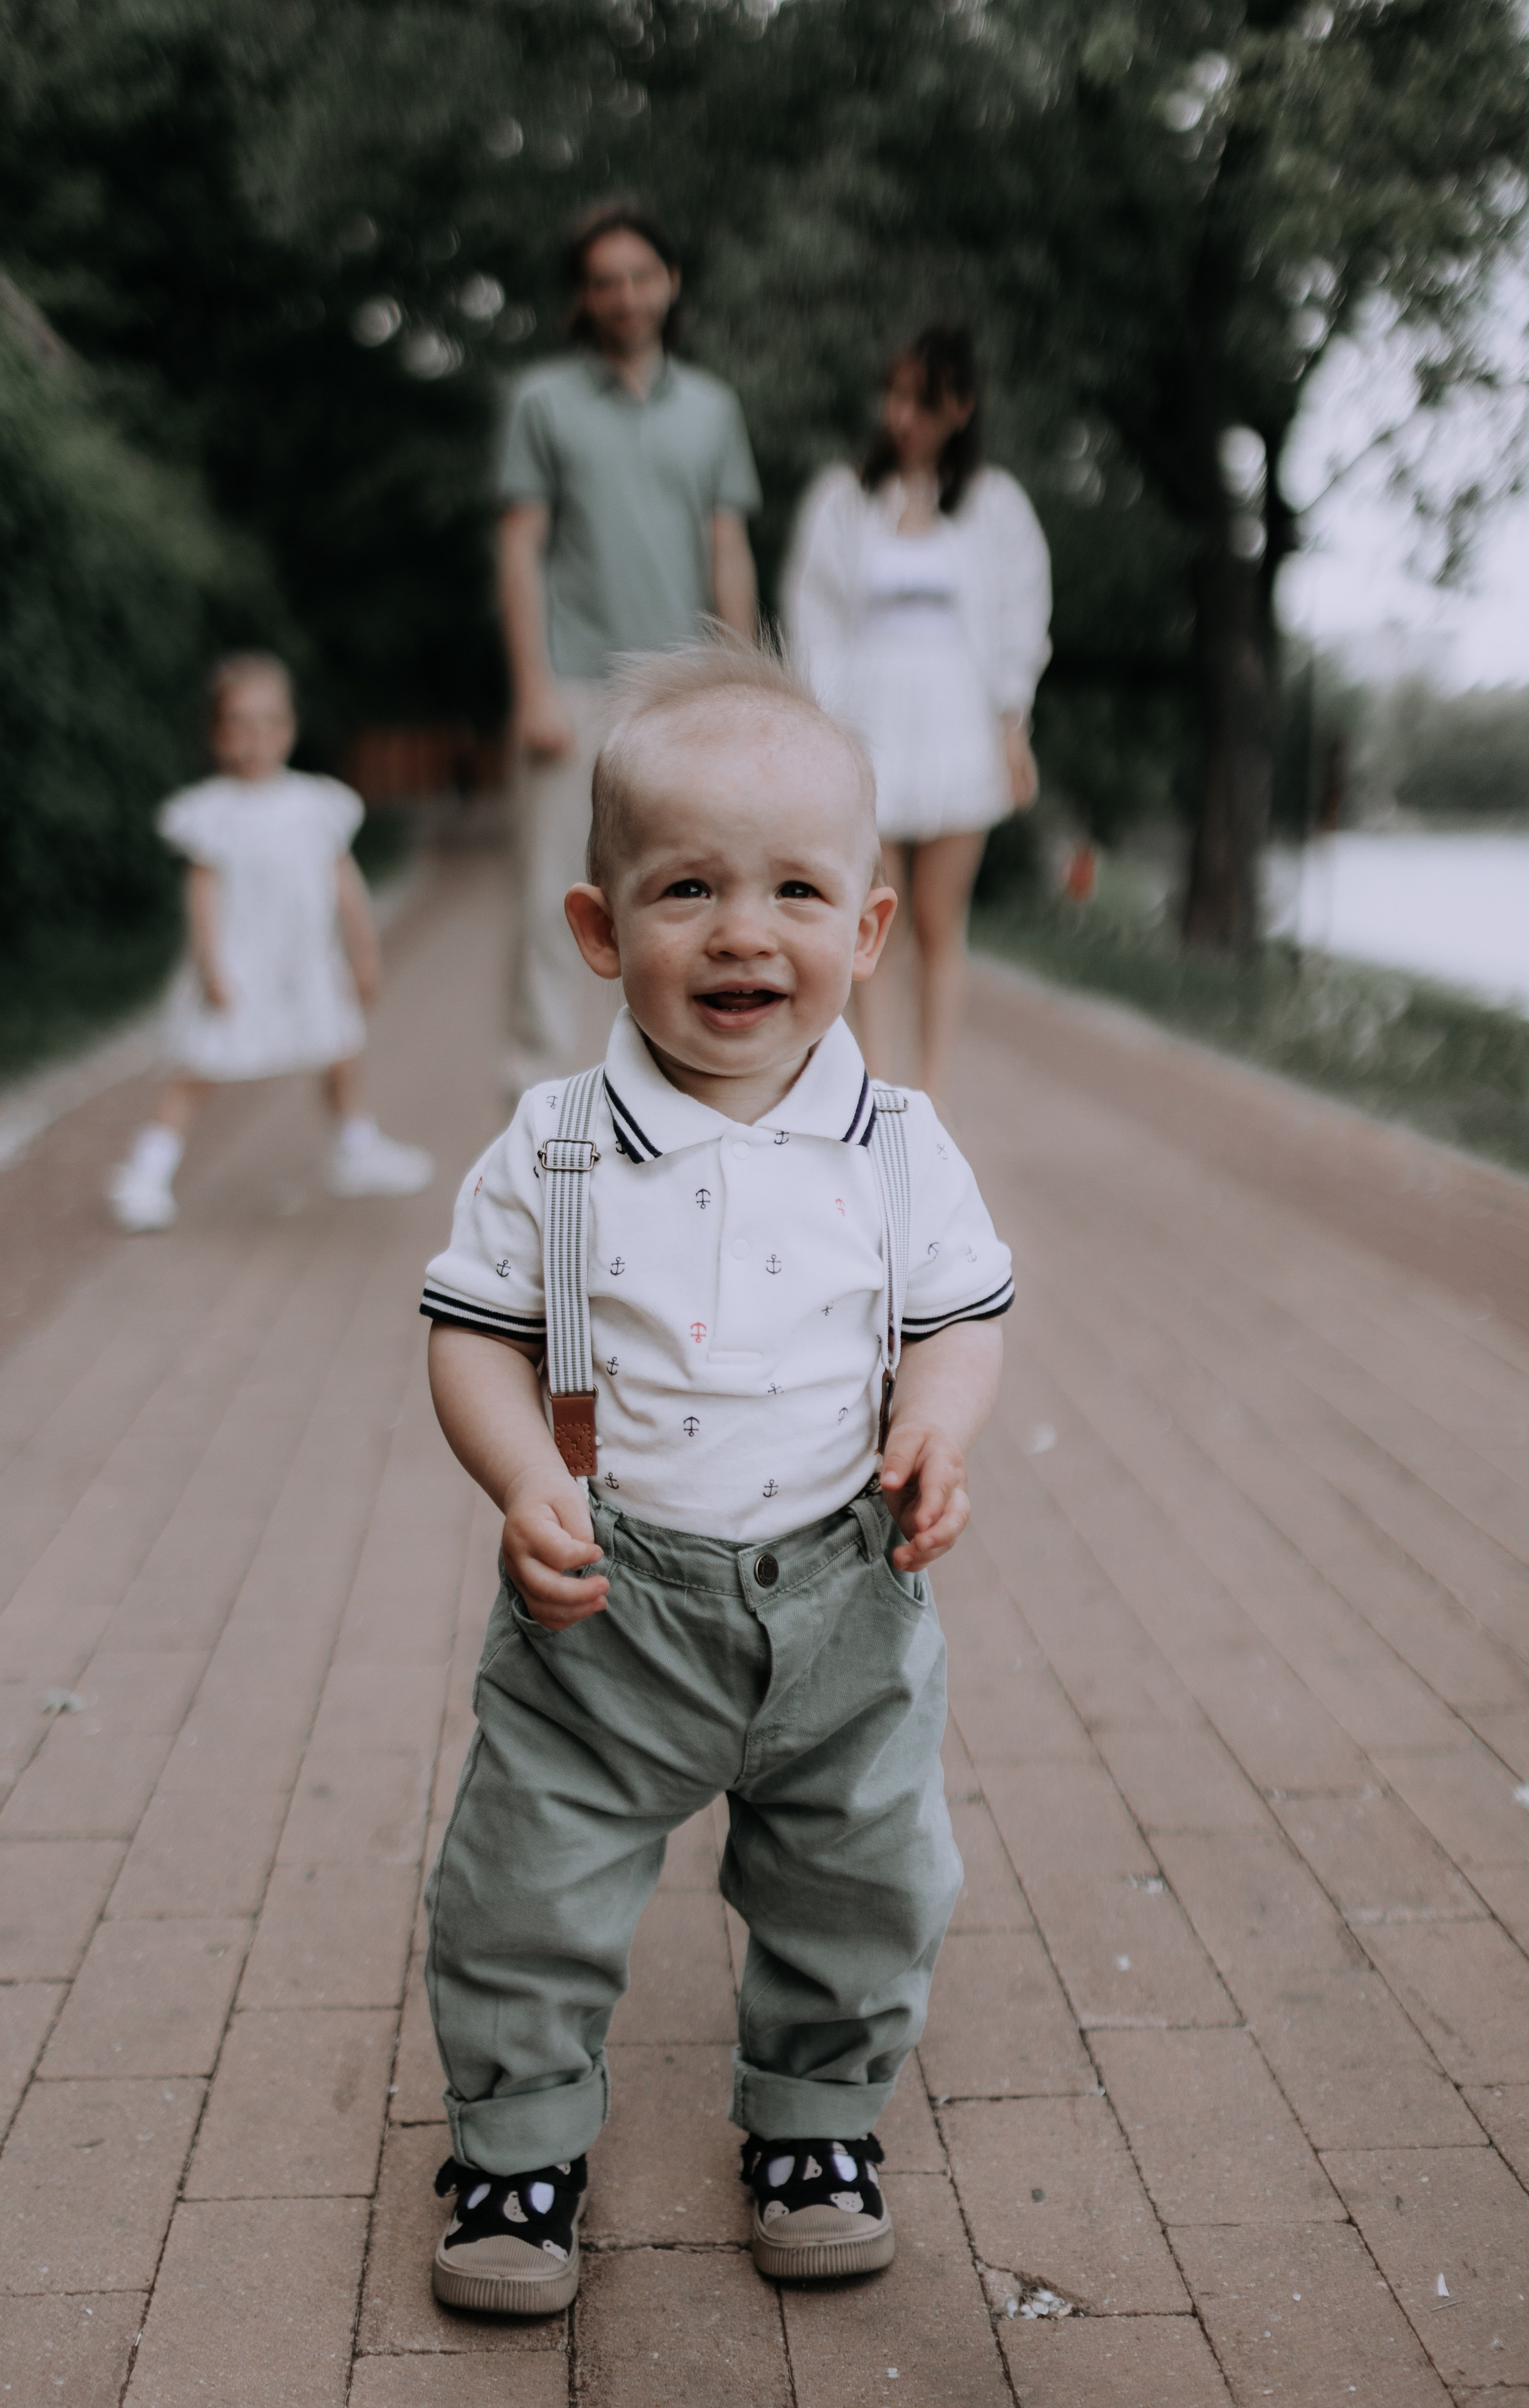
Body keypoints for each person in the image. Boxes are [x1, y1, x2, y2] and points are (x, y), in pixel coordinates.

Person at [417, 634, 1013, 2315]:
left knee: (865, 1877)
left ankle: (818, 2119)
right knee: (525, 1879)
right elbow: (469, 1338)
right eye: (687, 888)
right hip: (608, 1608)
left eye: (797, 891)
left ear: (867, 929)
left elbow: (965, 1319)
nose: (746, 932)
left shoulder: (900, 1144)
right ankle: (518, 2142)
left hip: (844, 1601)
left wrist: (939, 1423)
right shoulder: (550, 1147)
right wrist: (522, 1471)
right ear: (603, 930)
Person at [495, 199, 762, 1099]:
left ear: (670, 283)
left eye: (641, 275)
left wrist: (740, 685)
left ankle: (672, 1086)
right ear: (584, 297)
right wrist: (531, 685)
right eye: (605, 280)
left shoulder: (714, 408)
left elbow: (728, 548)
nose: (625, 294)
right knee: (550, 900)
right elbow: (520, 547)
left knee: (686, 893)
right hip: (573, 684)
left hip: (680, 695)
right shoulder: (543, 403)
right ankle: (535, 1099)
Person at [783, 324, 1052, 1098]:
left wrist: (1013, 725)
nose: (901, 415)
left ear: (959, 407)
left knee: (938, 921)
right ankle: (875, 1082)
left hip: (959, 731)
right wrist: (822, 727)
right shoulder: (842, 499)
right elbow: (814, 618)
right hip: (868, 728)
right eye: (893, 396)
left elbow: (1019, 617)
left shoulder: (997, 506)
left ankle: (929, 1094)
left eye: (921, 401)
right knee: (874, 916)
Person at [107, 653, 432, 1232]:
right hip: (240, 965)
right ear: (216, 733)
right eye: (239, 722)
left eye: (270, 721)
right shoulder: (213, 812)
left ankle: (356, 1147)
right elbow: (203, 895)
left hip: (306, 962)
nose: (256, 736)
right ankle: (146, 1170)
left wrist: (364, 950)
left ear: (290, 727)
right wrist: (212, 966)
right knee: (201, 1067)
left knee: (339, 1048)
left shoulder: (316, 804)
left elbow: (344, 882)